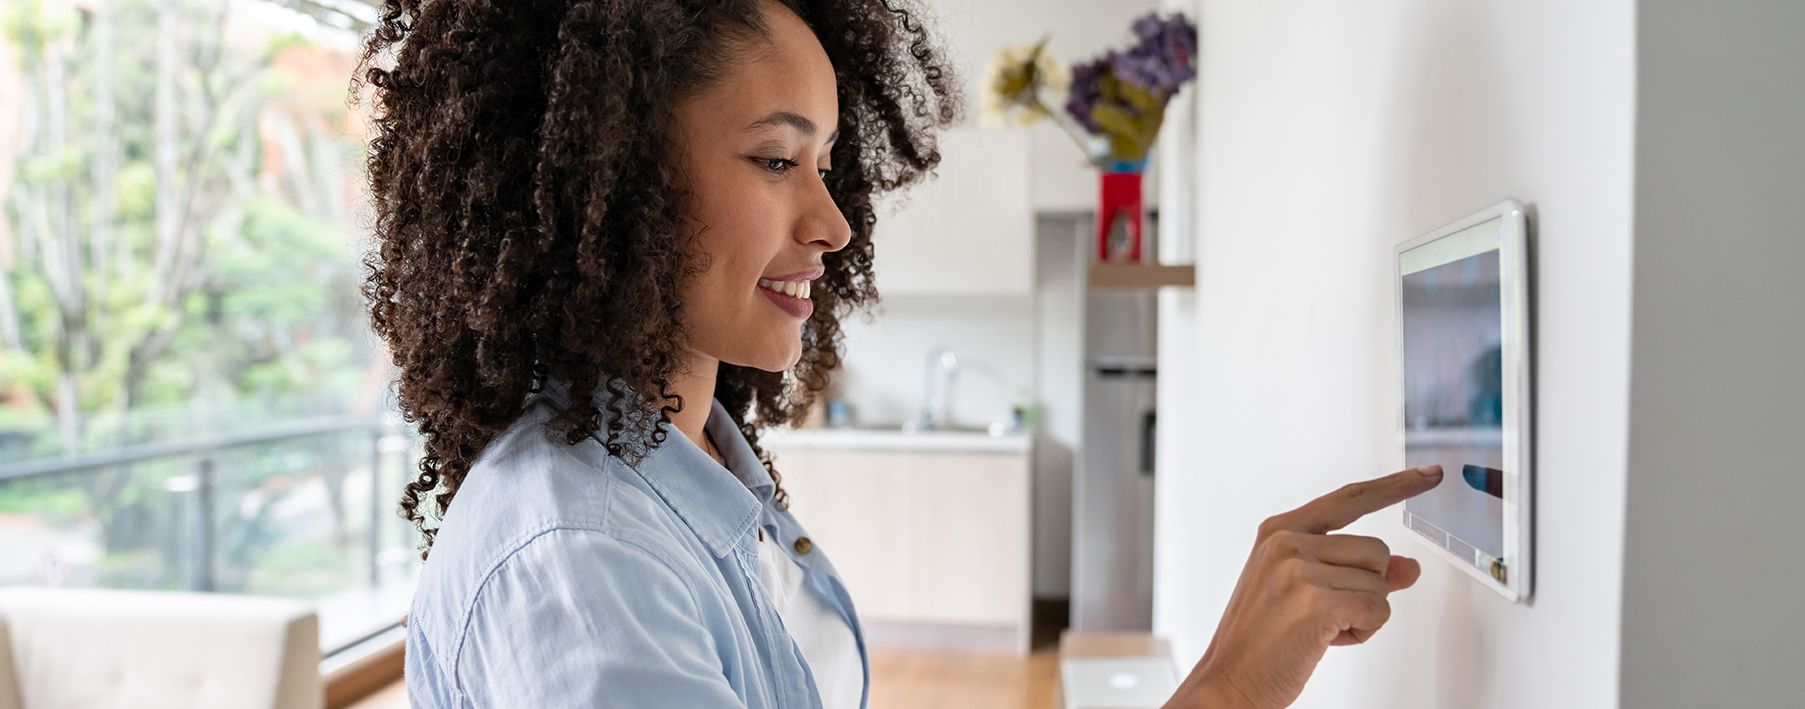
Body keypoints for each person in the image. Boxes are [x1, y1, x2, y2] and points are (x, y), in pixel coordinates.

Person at [353, 1, 1444, 707]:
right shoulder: (582, 559)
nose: (832, 223)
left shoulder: (690, 470)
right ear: (606, 177)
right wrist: (1223, 691)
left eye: (825, 163)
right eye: (777, 158)